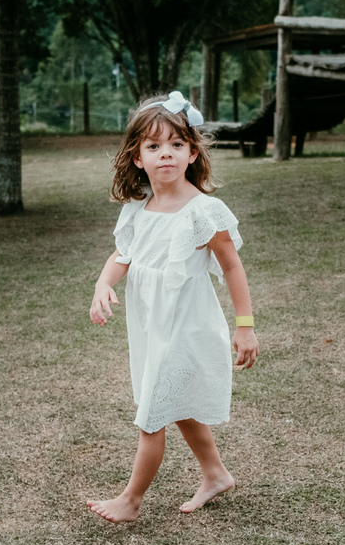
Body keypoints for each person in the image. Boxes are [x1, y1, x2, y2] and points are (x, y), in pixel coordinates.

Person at [87, 91, 258, 523]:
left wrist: (245, 326)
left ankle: (130, 500)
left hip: (187, 325)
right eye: (154, 146)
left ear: (192, 152)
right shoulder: (137, 209)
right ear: (137, 158)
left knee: (152, 414)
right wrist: (103, 285)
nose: (167, 154)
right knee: (172, 403)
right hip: (151, 326)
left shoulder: (204, 211)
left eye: (176, 145)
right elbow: (121, 256)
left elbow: (232, 266)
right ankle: (215, 473)